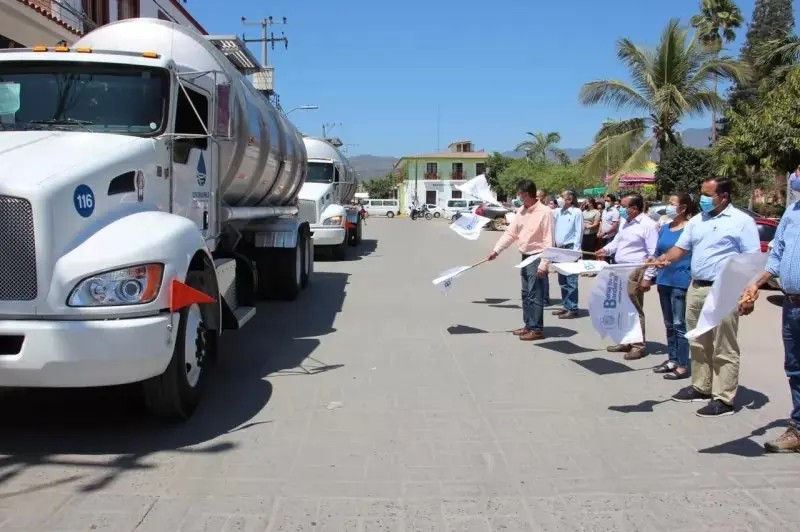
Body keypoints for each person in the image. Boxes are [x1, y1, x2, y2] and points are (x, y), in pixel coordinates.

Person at [652, 177, 761, 418]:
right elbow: (681, 248)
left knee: (724, 345)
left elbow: (752, 259)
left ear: (723, 197)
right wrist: (665, 258)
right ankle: (702, 386)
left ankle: (724, 398)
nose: (702, 198)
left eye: (708, 194)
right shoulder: (698, 221)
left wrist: (750, 292)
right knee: (698, 341)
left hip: (726, 289)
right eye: (701, 193)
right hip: (697, 287)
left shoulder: (742, 222)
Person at [739, 175, 800, 450]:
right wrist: (756, 282)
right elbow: (777, 256)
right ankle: (798, 430)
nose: (795, 177)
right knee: (795, 369)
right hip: (791, 304)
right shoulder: (793, 211)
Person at [488, 179, 554, 341]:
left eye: (521, 195)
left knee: (535, 293)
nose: (519, 198)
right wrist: (497, 250)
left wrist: (545, 263)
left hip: (537, 256)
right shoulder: (521, 211)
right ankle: (528, 325)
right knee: (525, 293)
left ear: (529, 195)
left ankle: (537, 329)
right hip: (525, 256)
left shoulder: (545, 212)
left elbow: (548, 240)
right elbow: (511, 234)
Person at [596, 193, 658, 360]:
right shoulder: (626, 223)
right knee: (620, 307)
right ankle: (625, 340)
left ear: (634, 209)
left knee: (633, 308)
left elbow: (653, 253)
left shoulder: (648, 225)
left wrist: (648, 276)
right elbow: (618, 242)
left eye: (624, 207)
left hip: (635, 269)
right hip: (620, 268)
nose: (620, 210)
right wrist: (606, 250)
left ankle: (638, 345)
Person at [652, 194, 697, 380]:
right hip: (663, 281)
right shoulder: (664, 228)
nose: (668, 206)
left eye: (672, 203)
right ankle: (672, 359)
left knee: (680, 324)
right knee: (669, 324)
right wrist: (654, 262)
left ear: (683, 208)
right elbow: (658, 252)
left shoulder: (691, 229)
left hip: (681, 281)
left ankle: (683, 364)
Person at [552, 190, 583, 319]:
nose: (559, 199)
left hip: (570, 249)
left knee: (571, 280)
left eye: (561, 197)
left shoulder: (576, 212)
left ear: (569, 199)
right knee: (562, 280)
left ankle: (573, 308)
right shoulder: (557, 212)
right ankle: (566, 305)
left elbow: (579, 231)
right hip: (559, 249)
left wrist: (576, 251)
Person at [536, 189, 553, 306]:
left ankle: (545, 298)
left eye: (538, 197)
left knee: (543, 272)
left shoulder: (547, 211)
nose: (536, 199)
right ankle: (538, 296)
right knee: (536, 273)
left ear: (543, 198)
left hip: (544, 246)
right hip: (534, 247)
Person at [597, 194, 621, 263]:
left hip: (611, 237)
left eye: (608, 201)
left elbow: (614, 226)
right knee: (605, 255)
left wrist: (604, 233)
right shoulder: (604, 211)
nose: (606, 202)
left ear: (613, 202)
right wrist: (599, 232)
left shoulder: (615, 212)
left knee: (612, 255)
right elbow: (602, 222)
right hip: (603, 237)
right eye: (605, 201)